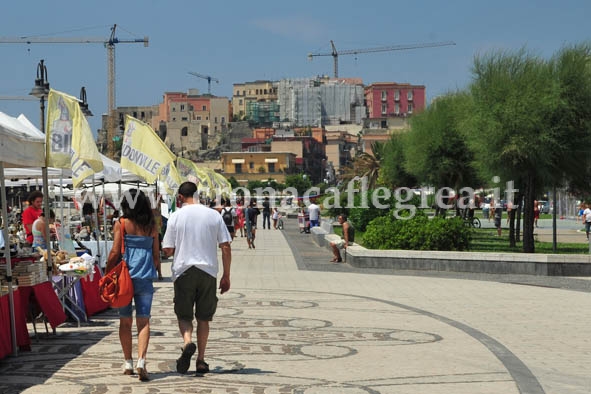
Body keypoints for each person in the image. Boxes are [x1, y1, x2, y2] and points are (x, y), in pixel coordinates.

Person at [161, 181, 232, 375]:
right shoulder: (213, 215)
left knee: (184, 315)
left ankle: (187, 342)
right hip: (208, 272)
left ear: (181, 198)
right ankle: (200, 360)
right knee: (204, 318)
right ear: (197, 195)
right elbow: (225, 247)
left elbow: (167, 250)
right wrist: (226, 275)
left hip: (183, 271)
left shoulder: (175, 216)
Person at [106, 189, 160, 382]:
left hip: (124, 277)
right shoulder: (151, 225)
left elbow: (114, 251)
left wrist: (107, 271)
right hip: (145, 276)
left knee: (125, 320)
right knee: (144, 320)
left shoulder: (121, 223)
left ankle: (128, 362)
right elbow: (156, 254)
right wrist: (153, 269)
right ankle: (141, 361)